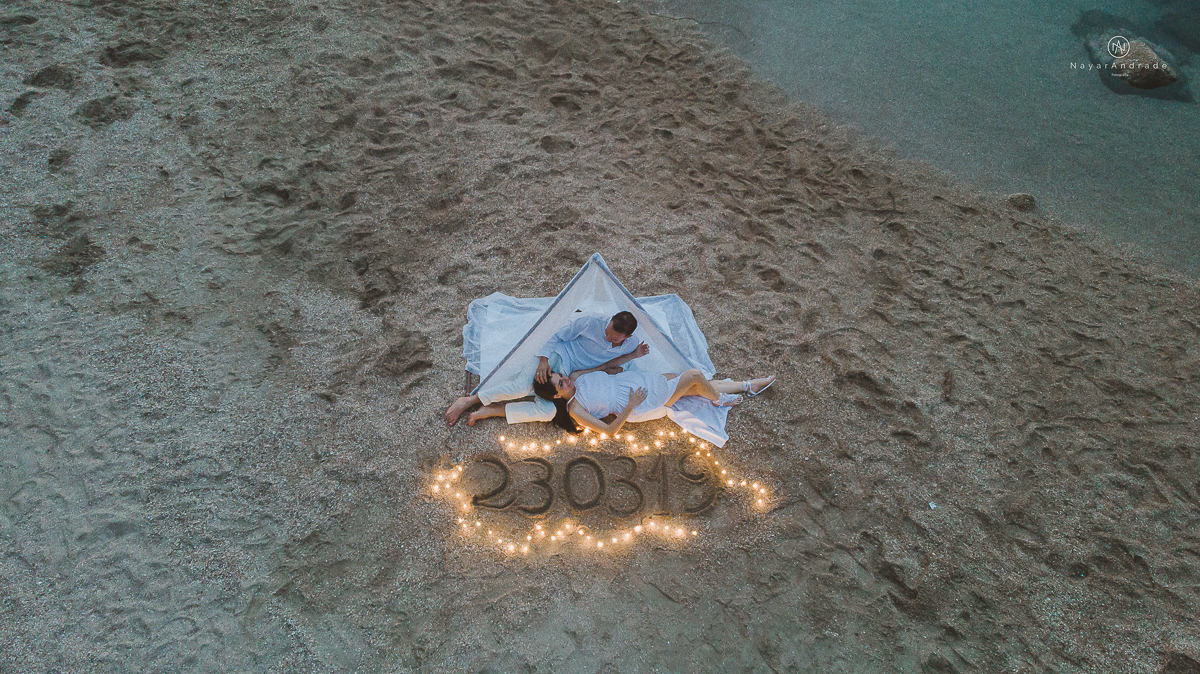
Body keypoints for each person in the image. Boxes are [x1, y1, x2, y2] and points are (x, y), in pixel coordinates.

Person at [444, 310, 650, 426]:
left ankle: (492, 410)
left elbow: (615, 363)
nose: (607, 337)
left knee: (548, 411)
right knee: (522, 388)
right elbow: (556, 335)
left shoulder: (632, 344)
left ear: (626, 338)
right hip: (558, 356)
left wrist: (634, 355)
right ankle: (470, 400)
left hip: (570, 375)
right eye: (607, 331)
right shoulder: (590, 322)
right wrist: (543, 360)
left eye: (613, 338)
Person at [530, 368, 776, 435]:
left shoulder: (575, 376)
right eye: (560, 384)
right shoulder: (575, 409)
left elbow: (604, 369)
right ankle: (720, 400)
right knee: (694, 377)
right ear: (556, 396)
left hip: (637, 379)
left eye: (559, 375)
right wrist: (630, 404)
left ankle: (748, 385)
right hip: (639, 402)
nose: (565, 379)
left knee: (693, 386)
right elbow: (609, 430)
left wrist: (632, 357)